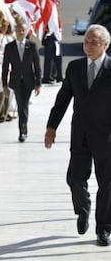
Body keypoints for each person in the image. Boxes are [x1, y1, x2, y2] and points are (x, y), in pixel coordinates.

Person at [45, 24, 111, 247]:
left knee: (107, 184)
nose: (89, 46)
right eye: (86, 42)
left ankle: (103, 228)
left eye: (94, 42)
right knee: (74, 178)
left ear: (105, 45)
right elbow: (63, 99)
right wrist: (51, 127)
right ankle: (83, 210)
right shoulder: (74, 68)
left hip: (106, 137)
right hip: (80, 134)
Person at [2, 18, 41, 142]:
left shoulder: (32, 45)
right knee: (21, 104)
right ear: (15, 31)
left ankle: (23, 129)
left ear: (26, 31)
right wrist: (4, 85)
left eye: (23, 30)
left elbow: (37, 65)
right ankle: (22, 131)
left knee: (24, 105)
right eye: (18, 30)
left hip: (29, 80)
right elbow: (5, 66)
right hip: (16, 81)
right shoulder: (9, 47)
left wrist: (38, 83)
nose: (20, 32)